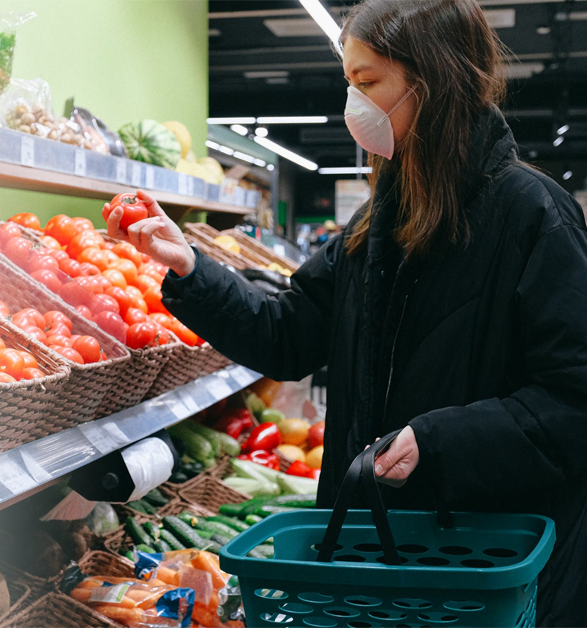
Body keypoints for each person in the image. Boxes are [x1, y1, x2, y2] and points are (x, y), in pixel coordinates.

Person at [107, 0, 587, 623]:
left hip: (487, 565)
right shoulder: (377, 222)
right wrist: (191, 270)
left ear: (434, 82)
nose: (352, 104)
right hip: (378, 552)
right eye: (348, 82)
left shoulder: (533, 216)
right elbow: (290, 336)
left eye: (367, 83)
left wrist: (440, 441)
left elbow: (574, 401)